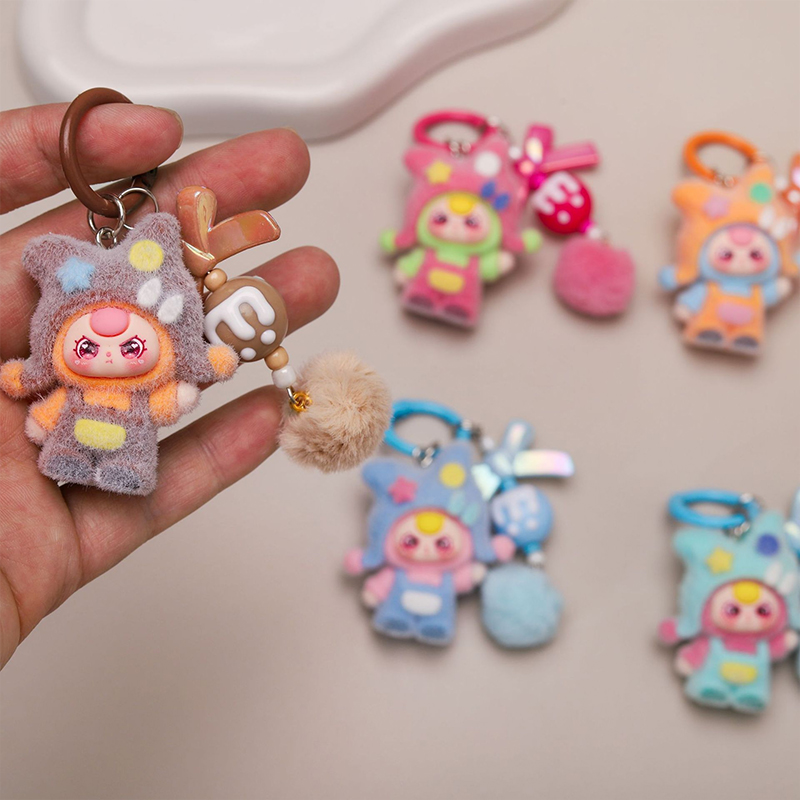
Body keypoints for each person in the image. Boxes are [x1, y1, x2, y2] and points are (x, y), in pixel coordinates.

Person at [0, 102, 339, 668]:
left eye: (132, 348)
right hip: (72, 432)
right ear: (58, 345)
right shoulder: (67, 379)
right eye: (88, 348)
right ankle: (75, 462)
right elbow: (46, 410)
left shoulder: (158, 368)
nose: (110, 352)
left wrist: (182, 388)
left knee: (129, 456)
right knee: (60, 445)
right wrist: (38, 409)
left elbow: (170, 398)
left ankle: (126, 470)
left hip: (130, 436)